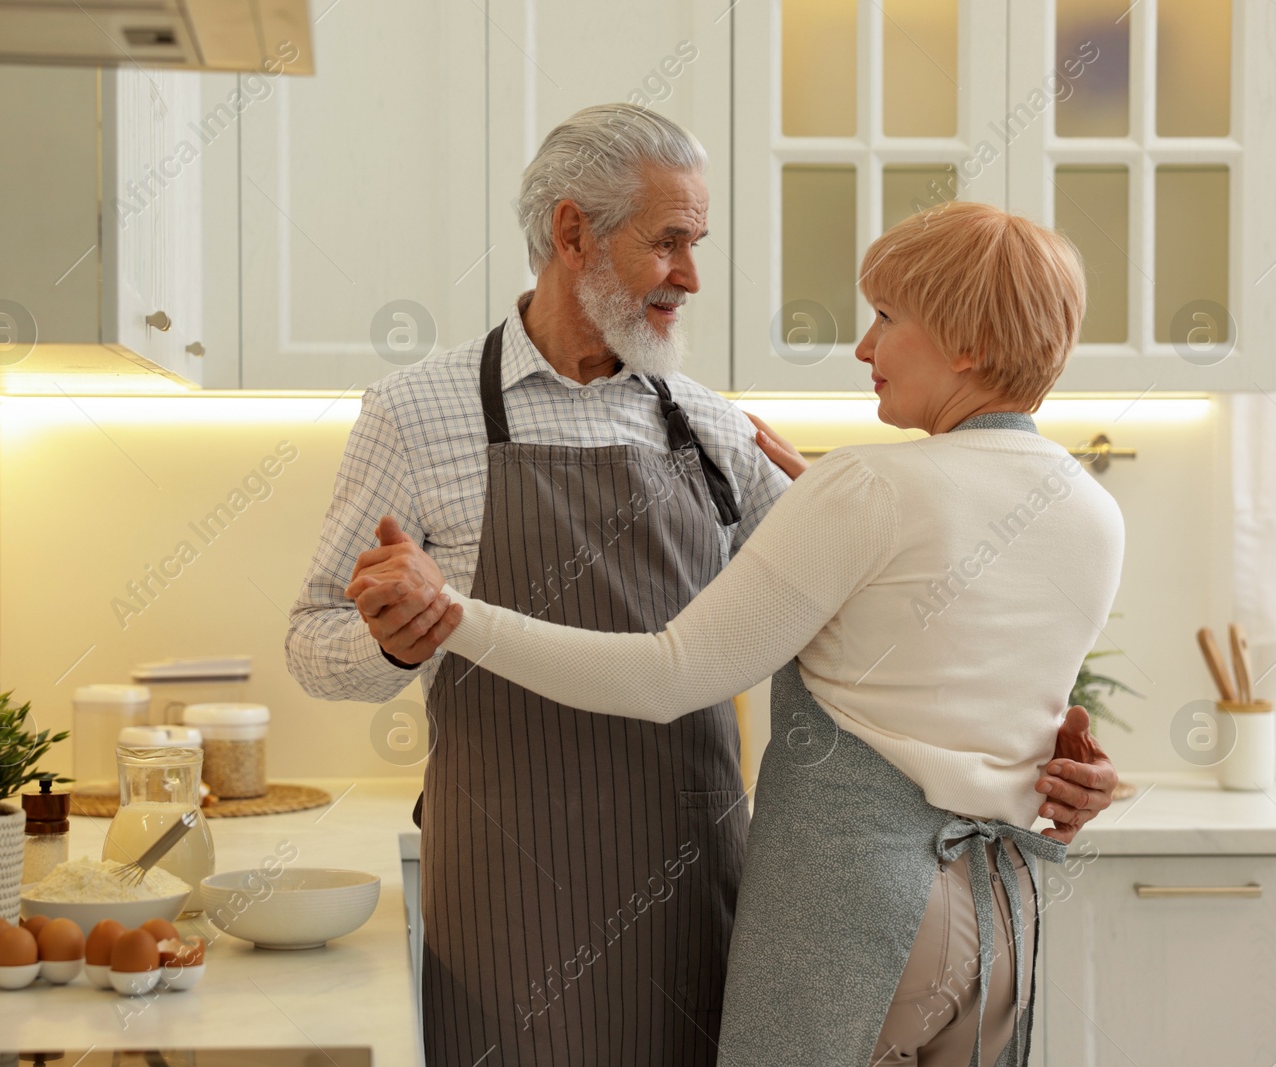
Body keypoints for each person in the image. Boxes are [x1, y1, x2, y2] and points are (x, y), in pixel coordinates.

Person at [290, 103, 1117, 1067]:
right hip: (509, 896)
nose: (690, 275)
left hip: (697, 891)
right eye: (669, 242)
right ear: (571, 233)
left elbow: (894, 624)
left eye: (698, 242)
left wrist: (1066, 761)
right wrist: (396, 637)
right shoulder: (416, 416)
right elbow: (313, 648)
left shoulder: (716, 432)